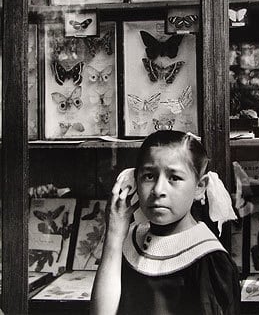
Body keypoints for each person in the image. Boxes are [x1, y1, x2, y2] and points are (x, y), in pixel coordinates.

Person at [90, 130, 241, 315]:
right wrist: (114, 234)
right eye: (149, 176)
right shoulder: (129, 240)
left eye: (174, 178)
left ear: (199, 187)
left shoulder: (209, 259)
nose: (158, 190)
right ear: (135, 180)